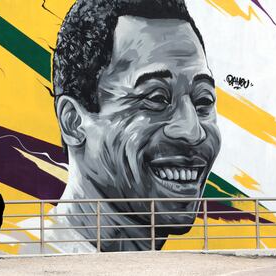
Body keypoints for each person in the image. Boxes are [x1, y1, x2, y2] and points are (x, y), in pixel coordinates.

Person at [51, 0, 222, 251]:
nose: (192, 131)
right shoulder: (23, 256)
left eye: (203, 100)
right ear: (73, 122)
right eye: (156, 99)